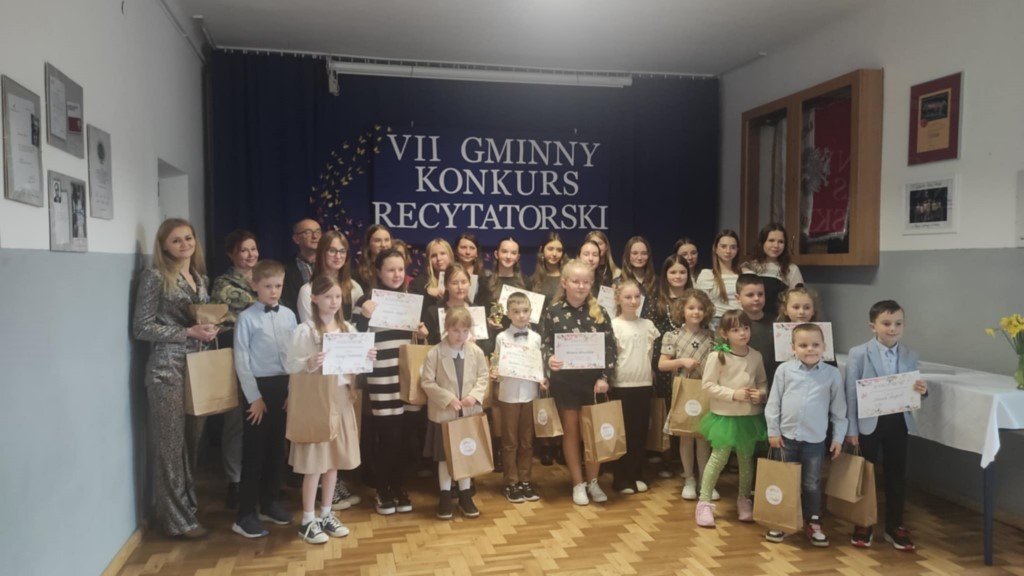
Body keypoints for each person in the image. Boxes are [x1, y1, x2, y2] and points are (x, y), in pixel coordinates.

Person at [132, 218, 218, 538]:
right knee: (169, 446)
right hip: (167, 370)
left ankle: (186, 507)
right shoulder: (154, 276)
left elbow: (201, 319)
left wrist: (210, 328)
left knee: (191, 442)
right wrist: (187, 332)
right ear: (163, 246)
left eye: (188, 238)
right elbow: (141, 327)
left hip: (197, 367)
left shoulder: (200, 278)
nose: (184, 245)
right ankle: (174, 521)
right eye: (176, 240)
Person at [285, 275, 371, 544]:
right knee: (315, 463)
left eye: (337, 297)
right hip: (317, 400)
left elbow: (352, 367)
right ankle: (307, 519)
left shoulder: (347, 329)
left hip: (342, 398)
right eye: (327, 297)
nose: (333, 302)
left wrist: (365, 358)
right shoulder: (306, 330)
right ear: (314, 298)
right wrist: (309, 362)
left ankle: (326, 513)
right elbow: (291, 364)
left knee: (333, 460)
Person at [844, 300, 929, 551]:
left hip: (898, 421)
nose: (893, 328)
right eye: (886, 323)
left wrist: (922, 391)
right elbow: (851, 394)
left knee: (896, 474)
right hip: (868, 423)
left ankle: (895, 525)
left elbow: (912, 389)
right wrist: (851, 429)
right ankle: (863, 523)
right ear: (873, 326)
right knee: (865, 474)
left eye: (898, 323)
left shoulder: (910, 354)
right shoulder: (858, 353)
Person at [354, 248, 429, 515]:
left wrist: (422, 334)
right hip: (382, 377)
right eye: (390, 270)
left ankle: (399, 486)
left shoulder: (410, 302)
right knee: (388, 436)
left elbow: (417, 342)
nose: (397, 274)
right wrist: (363, 317)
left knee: (407, 437)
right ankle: (382, 489)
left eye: (400, 269)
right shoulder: (366, 301)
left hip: (409, 377)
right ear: (378, 271)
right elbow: (353, 339)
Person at [541, 259, 617, 505]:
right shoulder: (553, 311)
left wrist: (605, 377)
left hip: (593, 384)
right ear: (565, 283)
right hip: (565, 383)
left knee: (592, 432)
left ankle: (593, 481)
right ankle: (577, 483)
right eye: (576, 281)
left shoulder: (600, 312)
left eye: (586, 282)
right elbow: (544, 343)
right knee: (571, 432)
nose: (581, 286)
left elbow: (611, 347)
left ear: (591, 284)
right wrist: (549, 359)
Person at [764, 323, 847, 547]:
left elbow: (839, 411)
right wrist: (773, 431)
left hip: (815, 441)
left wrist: (838, 438)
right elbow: (773, 403)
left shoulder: (831, 374)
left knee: (812, 483)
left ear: (824, 347)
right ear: (793, 347)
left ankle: (813, 522)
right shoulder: (784, 370)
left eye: (815, 345)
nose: (810, 349)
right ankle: (781, 521)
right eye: (803, 345)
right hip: (786, 439)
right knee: (784, 480)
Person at [230, 260, 297, 538]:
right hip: (257, 390)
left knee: (276, 449)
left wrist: (292, 391)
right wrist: (254, 397)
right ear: (254, 285)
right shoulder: (246, 318)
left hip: (283, 387)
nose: (273, 291)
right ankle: (245, 514)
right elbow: (242, 359)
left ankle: (269, 503)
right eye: (268, 286)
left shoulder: (289, 315)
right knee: (254, 452)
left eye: (278, 286)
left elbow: (295, 354)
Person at [694, 310, 767, 528]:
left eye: (745, 328)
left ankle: (744, 499)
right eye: (735, 330)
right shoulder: (718, 356)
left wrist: (761, 394)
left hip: (749, 416)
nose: (742, 333)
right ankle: (704, 502)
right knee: (719, 458)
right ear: (725, 334)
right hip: (725, 417)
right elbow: (708, 385)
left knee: (746, 459)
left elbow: (762, 381)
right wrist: (733, 394)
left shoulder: (756, 356)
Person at [420, 307, 490, 519]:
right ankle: (444, 495)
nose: (460, 335)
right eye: (455, 330)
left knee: (466, 453)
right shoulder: (434, 353)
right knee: (444, 457)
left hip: (468, 413)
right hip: (445, 415)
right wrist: (447, 399)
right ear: (446, 328)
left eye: (465, 331)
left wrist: (474, 396)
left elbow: (483, 377)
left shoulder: (476, 352)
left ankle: (465, 495)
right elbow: (427, 382)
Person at [210, 229, 259, 509]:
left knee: (262, 419)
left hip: (265, 357)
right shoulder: (223, 284)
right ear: (231, 254)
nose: (250, 254)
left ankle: (259, 478)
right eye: (243, 250)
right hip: (236, 355)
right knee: (236, 421)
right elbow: (255, 303)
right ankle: (235, 481)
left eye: (253, 249)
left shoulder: (265, 277)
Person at [657, 290, 717, 501]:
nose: (696, 312)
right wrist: (682, 362)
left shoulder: (712, 336)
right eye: (691, 308)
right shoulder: (672, 335)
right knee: (686, 435)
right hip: (684, 391)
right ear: (682, 310)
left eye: (700, 308)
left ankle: (705, 481)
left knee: (703, 437)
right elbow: (662, 364)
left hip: (706, 391)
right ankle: (689, 478)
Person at [490, 292, 546, 503]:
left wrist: (542, 379)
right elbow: (496, 362)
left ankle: (525, 480)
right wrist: (494, 372)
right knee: (509, 441)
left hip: (530, 394)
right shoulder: (501, 338)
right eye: (516, 312)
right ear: (508, 314)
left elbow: (539, 365)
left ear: (531, 312)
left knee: (527, 441)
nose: (521, 315)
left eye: (525, 311)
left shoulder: (536, 338)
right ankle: (510, 482)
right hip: (508, 394)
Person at [610, 279, 660, 494]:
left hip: (643, 384)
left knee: (640, 432)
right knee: (624, 433)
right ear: (618, 299)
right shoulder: (613, 325)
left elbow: (650, 355)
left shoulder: (647, 325)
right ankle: (622, 478)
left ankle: (637, 473)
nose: (633, 301)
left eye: (637, 297)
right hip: (622, 385)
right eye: (628, 297)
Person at [296, 230, 363, 324]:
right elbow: (309, 328)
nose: (338, 256)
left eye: (342, 251)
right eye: (332, 251)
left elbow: (359, 325)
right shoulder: (307, 291)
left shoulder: (354, 287)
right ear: (321, 253)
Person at [741, 223, 804, 314]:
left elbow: (799, 300)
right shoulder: (749, 267)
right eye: (771, 240)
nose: (776, 245)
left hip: (778, 319)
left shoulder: (792, 269)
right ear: (762, 242)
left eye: (781, 242)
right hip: (751, 318)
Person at [736, 274, 778, 387]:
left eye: (760, 294)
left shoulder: (778, 324)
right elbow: (720, 349)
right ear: (738, 298)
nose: (756, 298)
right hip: (742, 384)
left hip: (773, 382)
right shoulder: (732, 325)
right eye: (750, 295)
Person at [694, 230, 742, 326]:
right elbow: (701, 303)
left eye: (733, 247)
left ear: (737, 250)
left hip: (741, 321)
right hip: (715, 322)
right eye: (723, 246)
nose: (728, 251)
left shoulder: (745, 274)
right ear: (715, 248)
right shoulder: (707, 275)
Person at [282, 219, 321, 313]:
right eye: (308, 232)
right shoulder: (284, 269)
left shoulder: (330, 264)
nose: (315, 236)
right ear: (296, 239)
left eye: (318, 232)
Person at [410, 238, 454, 306]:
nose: (439, 258)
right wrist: (427, 294)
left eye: (443, 253)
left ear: (450, 256)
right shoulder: (418, 283)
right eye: (433, 256)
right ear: (428, 260)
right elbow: (412, 308)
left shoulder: (461, 278)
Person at [528, 232, 566, 309]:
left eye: (559, 250)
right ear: (542, 250)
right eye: (550, 249)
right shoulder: (532, 280)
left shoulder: (568, 277)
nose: (554, 254)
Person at [453, 232, 492, 305]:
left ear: (477, 253)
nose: (468, 252)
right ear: (456, 251)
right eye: (463, 247)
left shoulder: (487, 275)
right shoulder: (448, 273)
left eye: (472, 248)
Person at [354, 224, 392, 291]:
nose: (383, 245)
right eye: (377, 240)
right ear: (368, 244)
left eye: (387, 240)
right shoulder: (357, 275)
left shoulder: (397, 272)